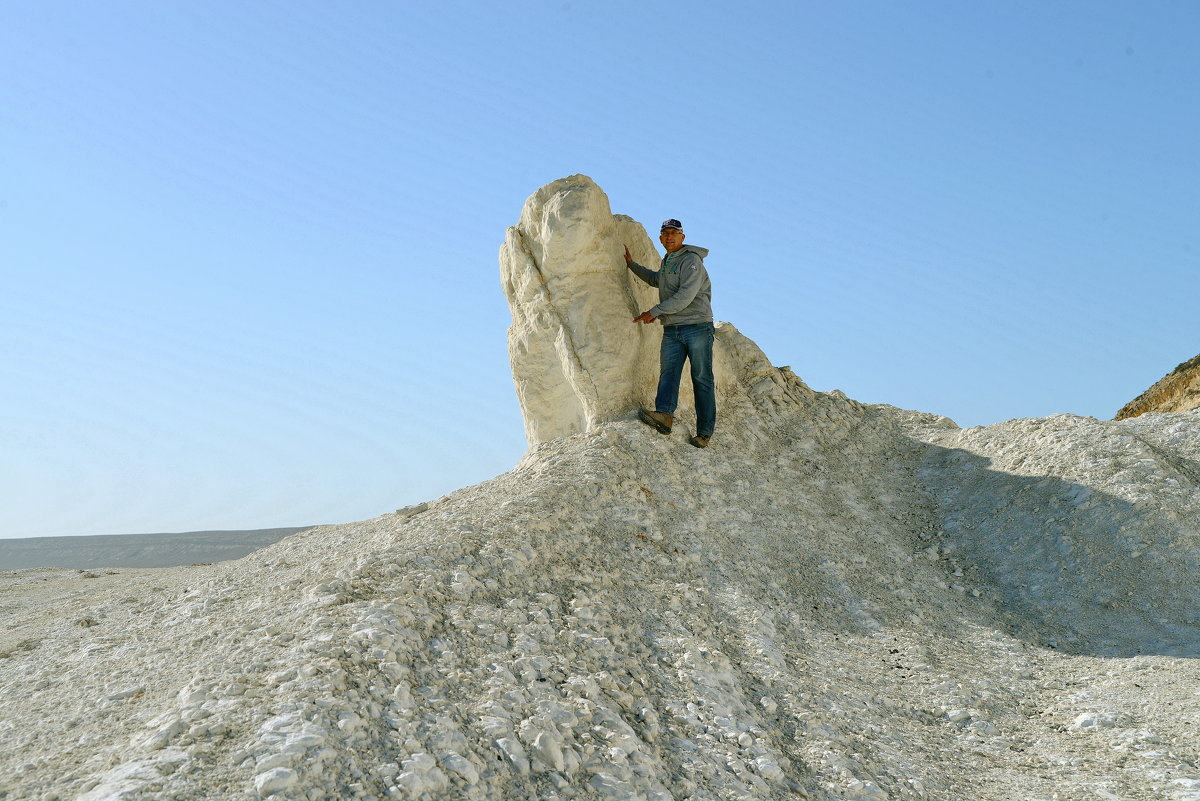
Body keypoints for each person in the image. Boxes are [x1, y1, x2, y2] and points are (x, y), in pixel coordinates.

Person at [623, 218, 716, 448]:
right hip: (672, 329)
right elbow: (658, 280)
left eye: (674, 233)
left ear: (682, 237)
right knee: (668, 373)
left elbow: (685, 296)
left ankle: (704, 433)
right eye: (665, 233)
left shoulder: (691, 261)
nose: (669, 237)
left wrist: (653, 312)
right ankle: (664, 415)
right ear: (660, 238)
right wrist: (631, 265)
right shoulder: (668, 261)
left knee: (701, 379)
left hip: (696, 327)